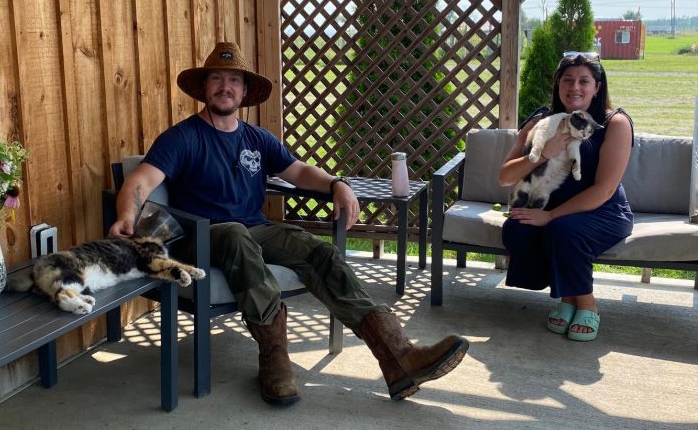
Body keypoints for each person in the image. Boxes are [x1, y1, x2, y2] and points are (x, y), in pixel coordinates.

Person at [109, 42, 468, 405]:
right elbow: (141, 181)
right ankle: (274, 357)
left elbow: (297, 171)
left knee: (319, 251)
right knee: (234, 233)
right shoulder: (182, 137)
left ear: (245, 91)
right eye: (216, 78)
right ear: (204, 87)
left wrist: (336, 183)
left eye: (234, 80)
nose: (225, 86)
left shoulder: (257, 139)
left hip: (255, 229)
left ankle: (398, 356)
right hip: (203, 236)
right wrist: (126, 216)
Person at [498, 52, 635, 342]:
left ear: (597, 87)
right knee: (516, 228)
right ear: (558, 85)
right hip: (554, 209)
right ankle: (566, 296)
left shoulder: (615, 123)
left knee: (563, 229)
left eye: (584, 81)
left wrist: (548, 216)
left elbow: (605, 189)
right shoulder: (540, 122)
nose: (575, 87)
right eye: (568, 80)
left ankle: (584, 303)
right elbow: (505, 177)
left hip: (603, 211)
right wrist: (543, 153)